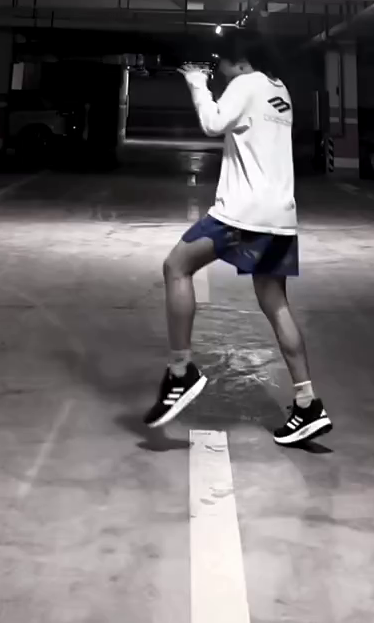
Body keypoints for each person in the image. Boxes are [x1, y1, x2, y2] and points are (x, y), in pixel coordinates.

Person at [143, 32, 332, 446]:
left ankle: (180, 371)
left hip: (243, 213)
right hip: (280, 215)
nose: (221, 71)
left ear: (240, 61)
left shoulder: (245, 84)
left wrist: (196, 82)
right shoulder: (279, 90)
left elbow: (212, 124)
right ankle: (307, 404)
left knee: (176, 267)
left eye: (222, 63)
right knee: (276, 303)